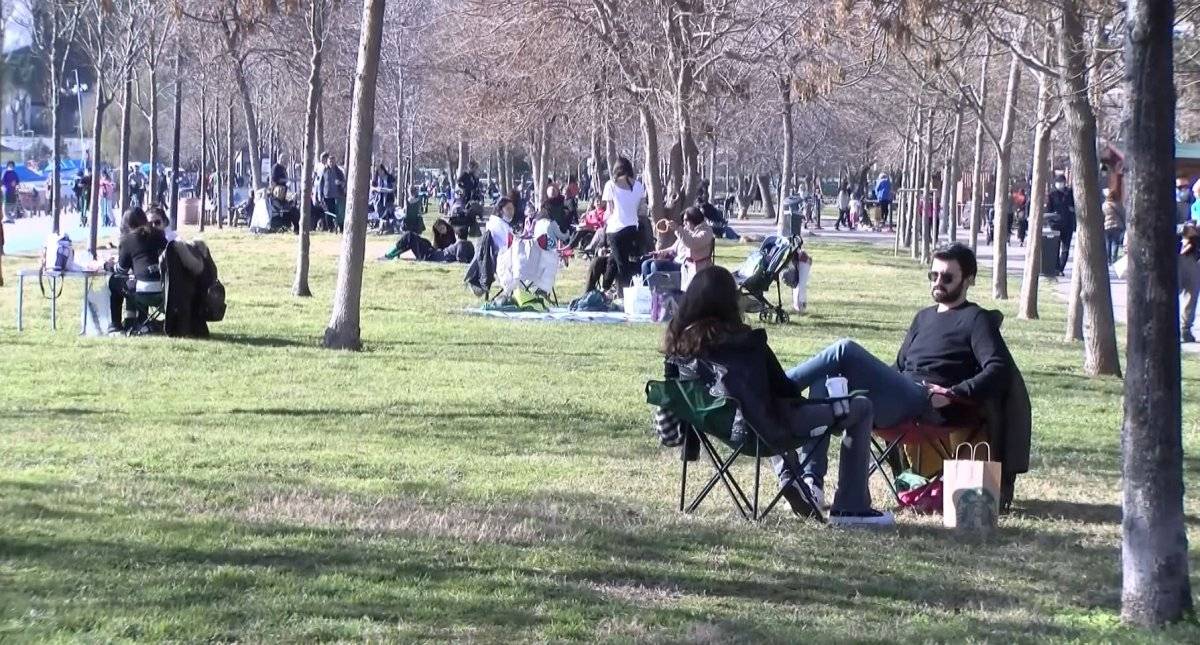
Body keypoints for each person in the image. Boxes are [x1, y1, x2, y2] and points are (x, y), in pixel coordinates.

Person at [661, 266, 893, 526]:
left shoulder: (677, 346)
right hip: (763, 432)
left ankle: (789, 479)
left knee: (760, 407)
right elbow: (784, 389)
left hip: (721, 427)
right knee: (859, 407)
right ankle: (852, 507)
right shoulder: (746, 342)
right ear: (728, 302)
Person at [781, 243, 1013, 501]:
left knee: (844, 349)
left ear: (968, 280)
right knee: (823, 381)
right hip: (899, 395)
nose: (938, 282)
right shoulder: (923, 317)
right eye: (933, 276)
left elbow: (998, 368)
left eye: (947, 277)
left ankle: (776, 388)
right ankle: (812, 484)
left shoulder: (976, 319)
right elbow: (899, 367)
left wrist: (954, 393)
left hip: (925, 403)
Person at [105, 207, 168, 334]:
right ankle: (135, 321)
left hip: (143, 292)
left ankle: (115, 325)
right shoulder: (158, 234)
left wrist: (108, 266)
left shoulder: (127, 239)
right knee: (137, 278)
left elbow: (121, 270)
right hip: (165, 291)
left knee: (114, 281)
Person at [601, 156, 647, 293]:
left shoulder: (610, 185)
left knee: (622, 264)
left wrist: (603, 219)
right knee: (613, 260)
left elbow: (609, 211)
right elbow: (642, 209)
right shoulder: (638, 186)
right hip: (632, 228)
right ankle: (605, 288)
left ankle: (625, 292)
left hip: (615, 229)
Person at [641, 207, 715, 290]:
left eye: (686, 220)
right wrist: (661, 252)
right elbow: (674, 248)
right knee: (646, 264)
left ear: (694, 219)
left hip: (690, 266)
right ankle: (647, 295)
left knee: (656, 266)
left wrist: (678, 229)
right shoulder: (687, 230)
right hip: (677, 261)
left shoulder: (706, 232)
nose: (684, 223)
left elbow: (692, 243)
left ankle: (659, 296)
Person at [487, 197, 518, 296]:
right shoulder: (497, 224)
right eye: (508, 209)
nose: (511, 212)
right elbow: (510, 244)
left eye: (512, 209)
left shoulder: (500, 223)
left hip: (508, 257)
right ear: (500, 210)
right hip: (505, 261)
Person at [1046, 175, 1076, 275]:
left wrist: (1072, 210)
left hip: (1068, 224)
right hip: (1056, 225)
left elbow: (1075, 206)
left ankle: (1061, 268)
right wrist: (1051, 222)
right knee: (1055, 247)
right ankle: (1056, 267)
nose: (1061, 184)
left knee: (1066, 248)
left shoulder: (1070, 193)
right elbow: (1048, 210)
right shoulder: (1051, 194)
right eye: (1059, 182)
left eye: (1062, 182)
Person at [1180, 225, 1200, 344]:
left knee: (1192, 294)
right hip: (1175, 254)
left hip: (1192, 256)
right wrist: (1185, 228)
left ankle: (1185, 329)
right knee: (1168, 294)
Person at [318, 152, 346, 231]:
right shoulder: (324, 171)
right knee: (329, 212)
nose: (331, 163)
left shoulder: (339, 171)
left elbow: (344, 182)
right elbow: (321, 183)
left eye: (333, 161)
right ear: (327, 162)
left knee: (339, 213)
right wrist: (320, 195)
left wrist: (340, 183)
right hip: (327, 195)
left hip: (338, 195)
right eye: (330, 161)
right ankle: (330, 228)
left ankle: (341, 228)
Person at [1102, 189, 1125, 265]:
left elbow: (1102, 215)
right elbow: (1123, 214)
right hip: (1117, 226)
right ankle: (1114, 258)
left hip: (1107, 226)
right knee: (1115, 243)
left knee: (1108, 242)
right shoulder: (1118, 204)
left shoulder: (1105, 205)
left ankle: (1108, 260)